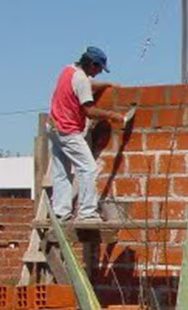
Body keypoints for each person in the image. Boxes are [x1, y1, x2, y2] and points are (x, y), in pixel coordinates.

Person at [48, 46, 124, 222]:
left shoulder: (68, 70)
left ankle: (60, 212)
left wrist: (107, 85)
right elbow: (89, 111)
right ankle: (87, 213)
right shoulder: (81, 80)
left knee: (61, 172)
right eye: (99, 68)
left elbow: (86, 84)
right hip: (68, 130)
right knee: (89, 168)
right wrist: (113, 116)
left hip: (53, 126)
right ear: (91, 64)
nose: (99, 73)